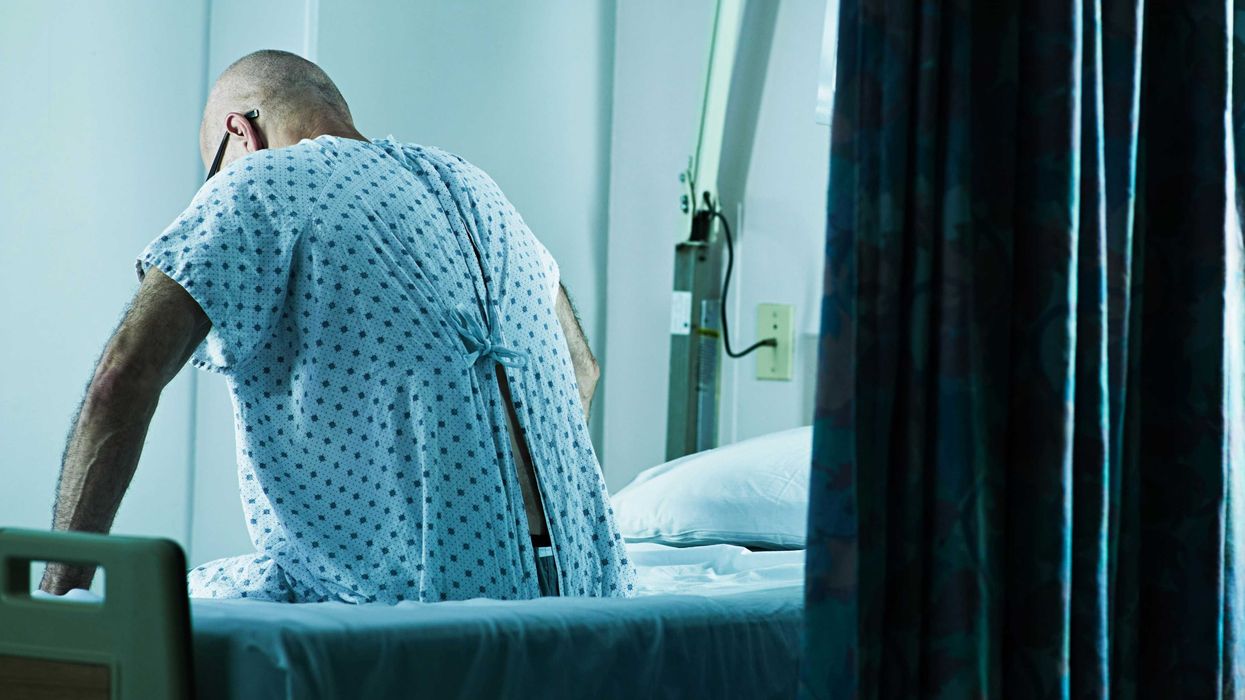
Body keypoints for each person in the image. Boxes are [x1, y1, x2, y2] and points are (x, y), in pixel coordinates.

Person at [40, 49, 635, 603]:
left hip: (424, 605)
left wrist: (57, 607)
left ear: (239, 134)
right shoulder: (476, 187)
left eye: (214, 173)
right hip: (586, 592)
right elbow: (582, 370)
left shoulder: (261, 184)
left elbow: (121, 379)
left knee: (173, 606)